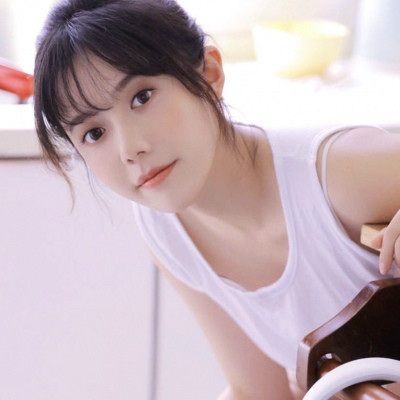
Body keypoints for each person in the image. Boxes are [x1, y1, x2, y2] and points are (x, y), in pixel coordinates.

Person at [33, 0, 400, 398]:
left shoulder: (339, 175)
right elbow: (256, 391)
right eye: (94, 133)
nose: (130, 149)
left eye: (142, 97)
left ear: (209, 73)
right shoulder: (167, 227)